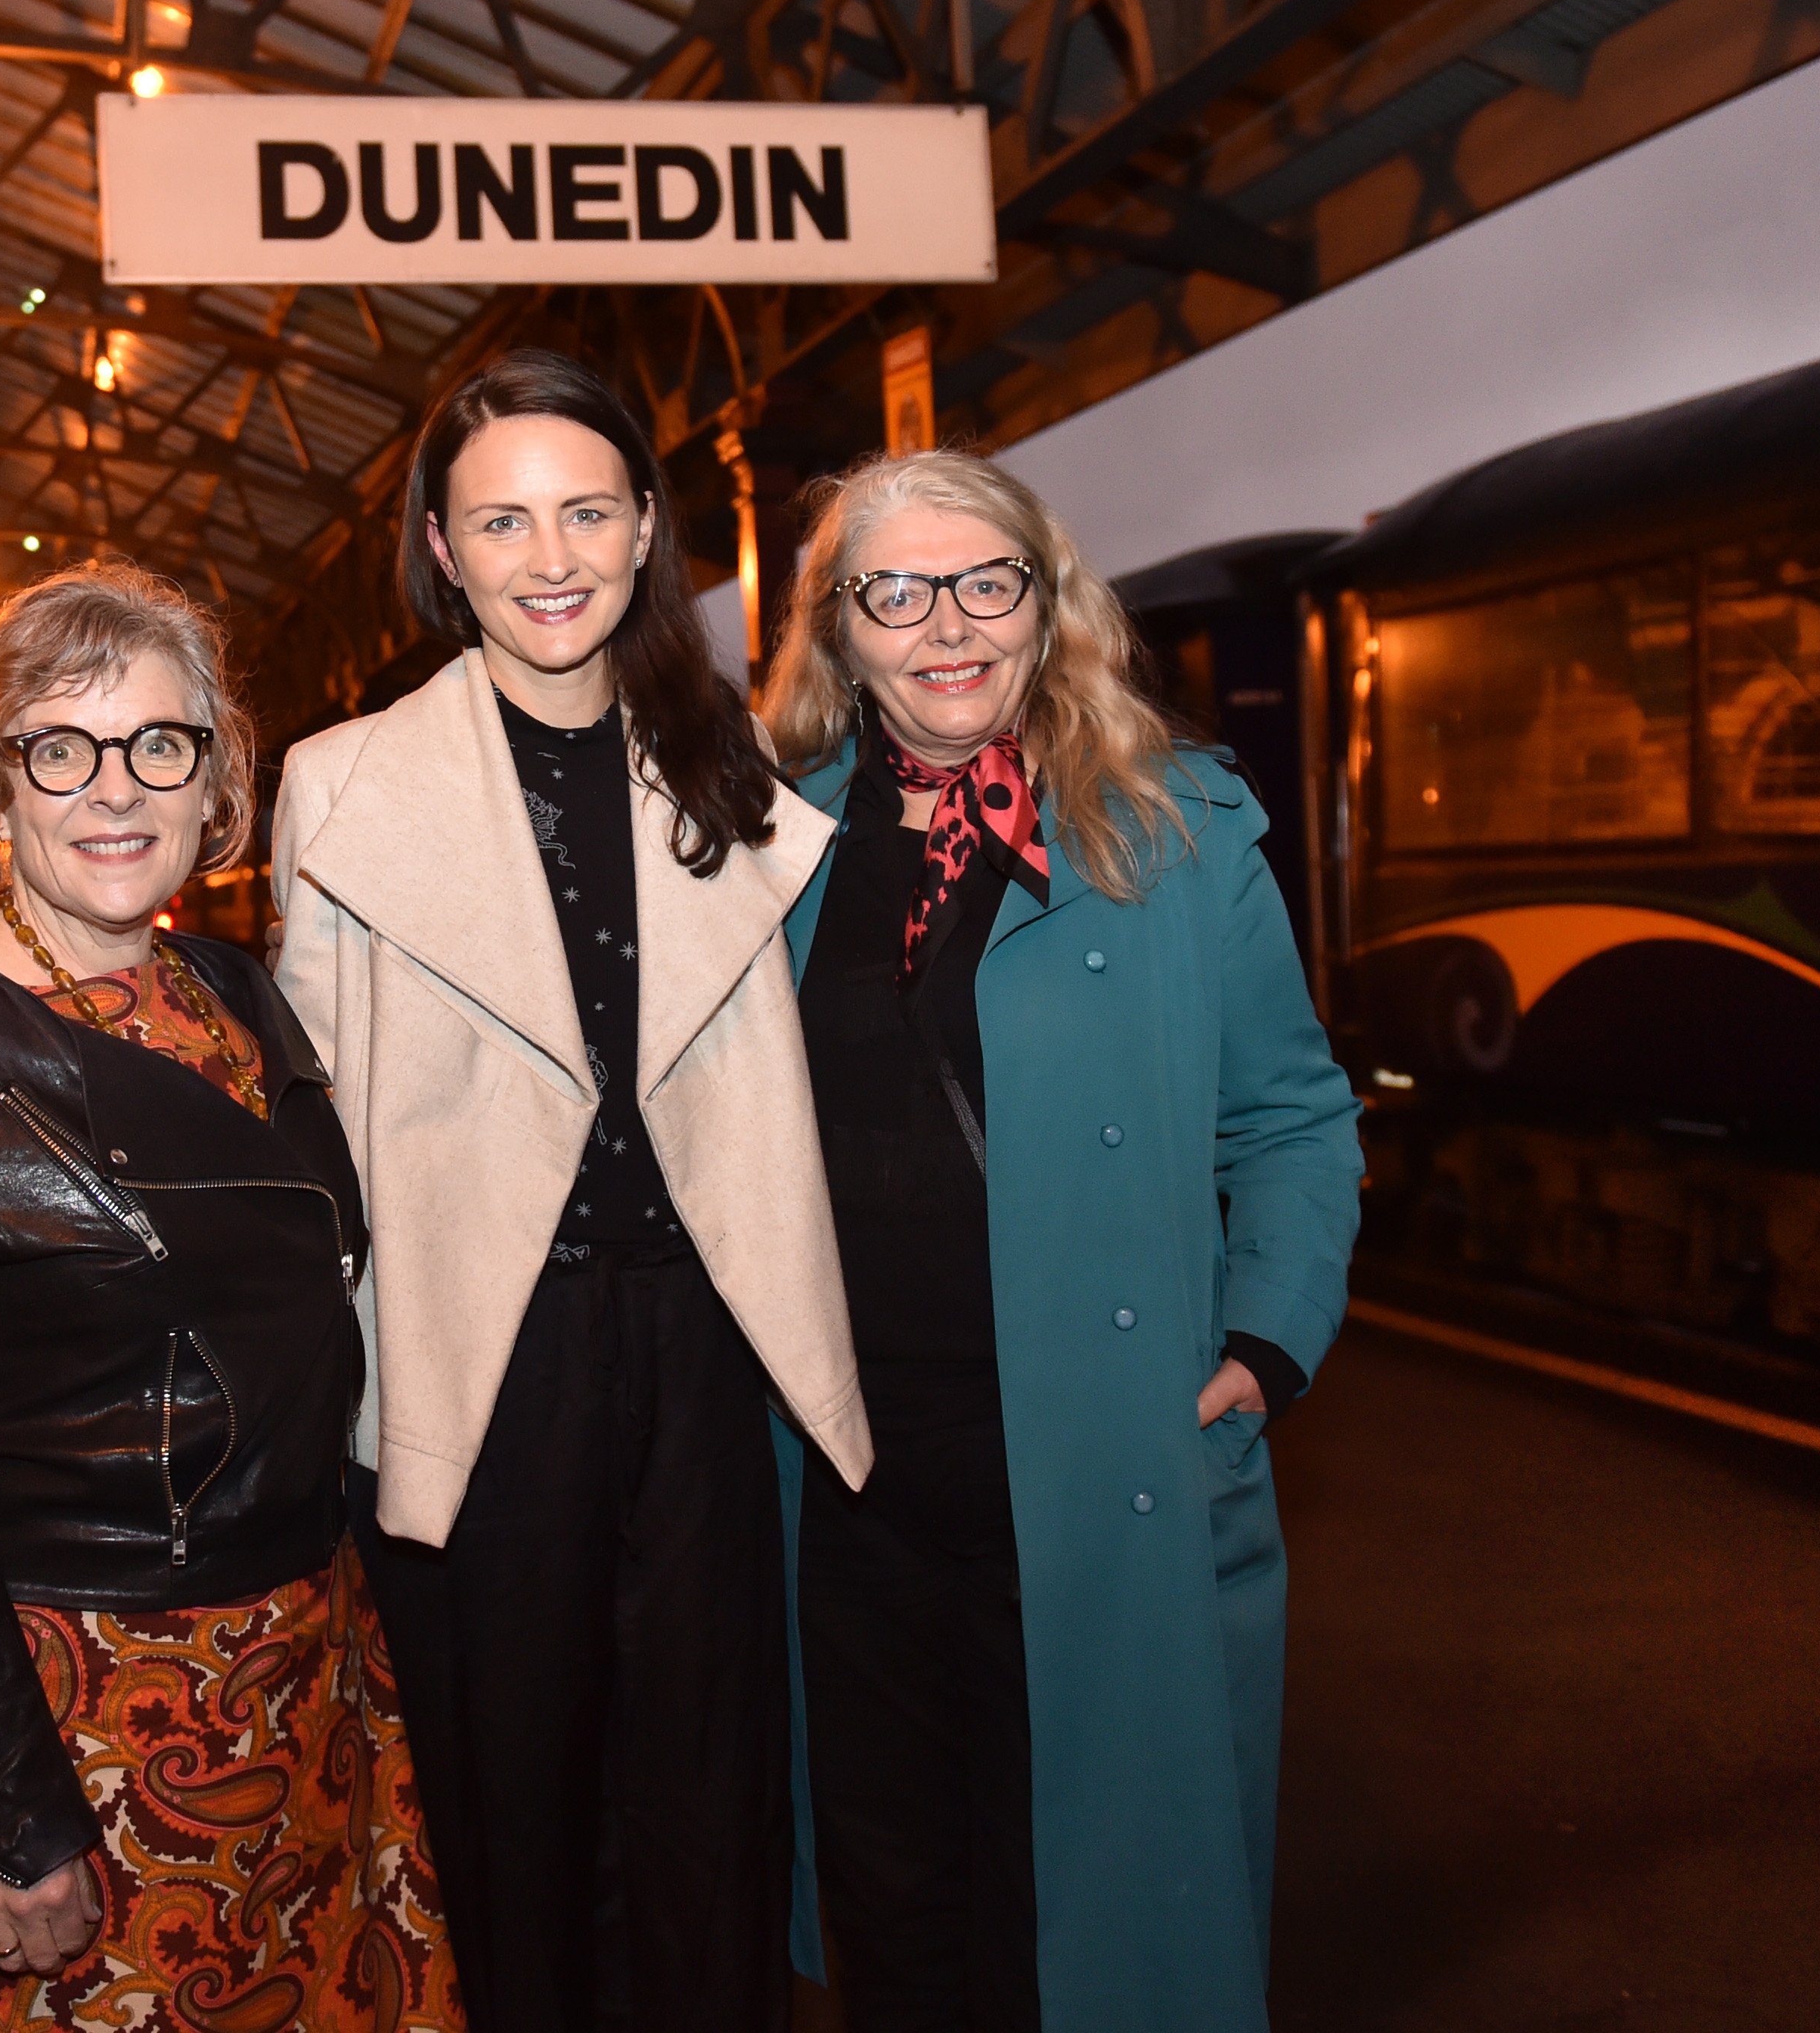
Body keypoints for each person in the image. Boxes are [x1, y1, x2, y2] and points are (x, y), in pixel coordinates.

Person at [271, 349, 871, 2033]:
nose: (551, 556)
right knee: (504, 1792)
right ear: (442, 553)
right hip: (481, 1352)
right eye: (504, 520)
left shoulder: (732, 765)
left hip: (702, 1341)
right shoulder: (341, 784)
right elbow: (315, 1126)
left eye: (587, 510)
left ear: (642, 530)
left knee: (706, 1783)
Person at [0, 563, 461, 2033]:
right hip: (91, 1709)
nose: (114, 789)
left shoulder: (231, 992)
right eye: (59, 746)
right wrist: (1, 1804)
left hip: (309, 1669)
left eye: (160, 743)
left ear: (214, 779)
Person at [750, 451, 1363, 2033]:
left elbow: (1289, 1114)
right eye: (894, 591)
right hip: (846, 1487)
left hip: (1097, 1467)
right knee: (895, 1917)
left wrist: (1266, 1337)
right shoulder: (765, 848)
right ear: (840, 629)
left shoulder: (1174, 828)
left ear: (1045, 600)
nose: (943, 626)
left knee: (1082, 1924)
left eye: (983, 583)